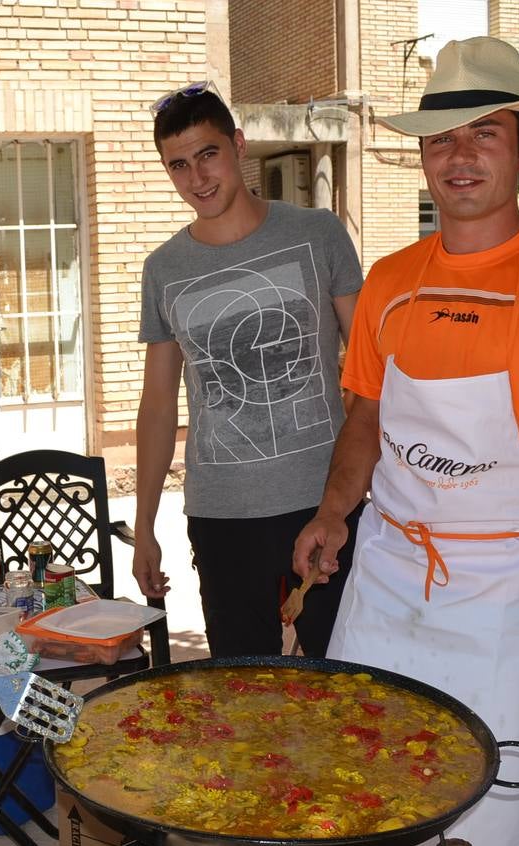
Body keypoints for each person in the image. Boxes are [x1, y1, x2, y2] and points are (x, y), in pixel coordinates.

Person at [293, 37, 519, 846]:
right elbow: (368, 416)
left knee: (481, 832)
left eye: (485, 132)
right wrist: (335, 510)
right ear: (421, 153)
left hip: (501, 588)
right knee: (355, 795)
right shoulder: (391, 281)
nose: (460, 155)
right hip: (387, 570)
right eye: (442, 136)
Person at [134, 82, 365, 658]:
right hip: (223, 513)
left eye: (208, 154)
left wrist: (363, 490)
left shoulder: (318, 233)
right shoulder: (164, 269)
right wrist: (144, 529)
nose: (197, 178)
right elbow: (159, 406)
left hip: (323, 501)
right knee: (242, 691)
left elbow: (372, 369)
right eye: (178, 165)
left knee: (343, 684)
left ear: (237, 145)